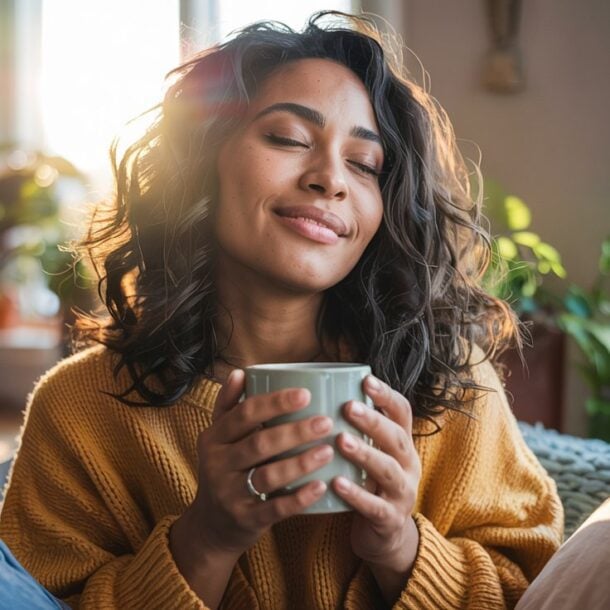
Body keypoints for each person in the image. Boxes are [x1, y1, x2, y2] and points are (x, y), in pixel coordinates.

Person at [0, 11, 562, 609]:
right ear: (200, 163)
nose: (330, 180)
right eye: (289, 138)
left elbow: (538, 588)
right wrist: (206, 540)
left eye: (365, 165)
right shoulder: (81, 408)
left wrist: (401, 546)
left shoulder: (448, 381)